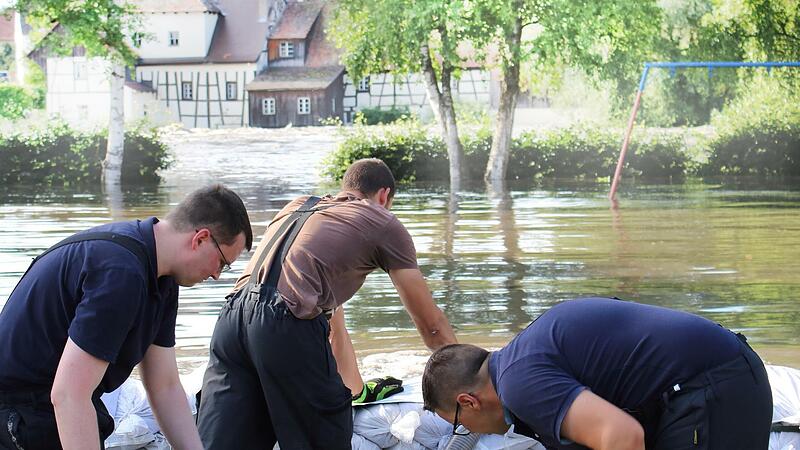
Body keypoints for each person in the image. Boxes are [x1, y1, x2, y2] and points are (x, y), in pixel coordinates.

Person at [198, 158, 457, 450]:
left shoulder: (298, 207)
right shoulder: (381, 220)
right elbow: (432, 327)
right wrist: (467, 381)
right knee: (324, 440)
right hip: (285, 324)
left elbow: (335, 331)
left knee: (224, 441)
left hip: (230, 322)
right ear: (384, 196)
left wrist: (355, 392)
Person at [0, 184, 253, 450]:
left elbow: (164, 386)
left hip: (55, 404)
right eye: (223, 262)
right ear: (200, 238)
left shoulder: (161, 275)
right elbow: (69, 395)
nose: (216, 275)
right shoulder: (120, 272)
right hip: (19, 412)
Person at [422, 297, 773, 450]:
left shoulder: (520, 385)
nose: (464, 430)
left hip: (712, 386)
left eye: (457, 422)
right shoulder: (523, 359)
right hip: (725, 375)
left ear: (468, 401)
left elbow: (623, 437)